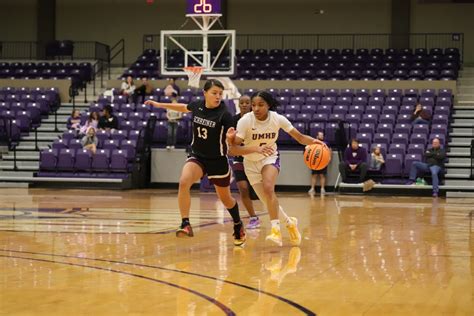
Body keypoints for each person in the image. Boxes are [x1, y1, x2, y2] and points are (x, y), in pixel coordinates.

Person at [144, 79, 246, 246]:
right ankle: (185, 224)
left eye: (220, 94)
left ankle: (237, 223)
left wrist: (230, 138)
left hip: (217, 160)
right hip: (198, 156)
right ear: (205, 93)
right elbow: (183, 107)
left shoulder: (224, 114)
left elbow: (233, 141)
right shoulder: (197, 105)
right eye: (214, 93)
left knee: (226, 199)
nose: (218, 96)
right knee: (184, 182)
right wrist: (160, 104)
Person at [226, 91, 326, 246]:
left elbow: (299, 137)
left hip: (270, 157)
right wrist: (253, 149)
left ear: (268, 105)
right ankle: (290, 223)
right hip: (250, 163)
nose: (256, 108)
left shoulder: (277, 119)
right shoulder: (245, 121)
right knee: (267, 201)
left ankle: (275, 230)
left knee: (268, 188)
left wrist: (315, 142)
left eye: (260, 105)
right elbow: (233, 150)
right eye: (254, 105)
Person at [231, 95, 261, 229]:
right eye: (241, 102)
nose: (244, 105)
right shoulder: (233, 120)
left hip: (255, 157)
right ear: (238, 104)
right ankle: (253, 217)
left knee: (260, 191)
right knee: (243, 188)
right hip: (239, 158)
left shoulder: (256, 120)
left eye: (247, 102)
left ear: (251, 105)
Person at [308, 131, 330, 196]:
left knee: (322, 175)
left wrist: (329, 157)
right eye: (320, 135)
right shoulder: (313, 143)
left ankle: (322, 189)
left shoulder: (326, 143)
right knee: (314, 175)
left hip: (323, 161)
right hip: (315, 161)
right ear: (317, 136)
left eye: (322, 135)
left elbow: (329, 150)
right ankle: (312, 188)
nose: (322, 136)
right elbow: (308, 150)